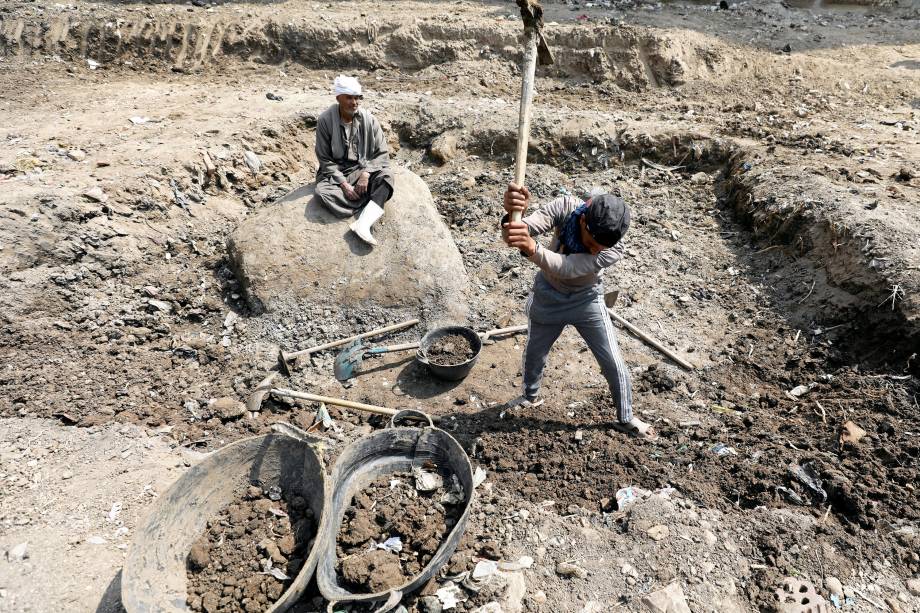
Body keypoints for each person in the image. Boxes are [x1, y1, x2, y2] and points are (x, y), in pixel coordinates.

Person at [500, 183, 655, 439]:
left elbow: (566, 267)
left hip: (586, 301)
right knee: (535, 353)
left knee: (613, 361)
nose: (596, 250)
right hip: (547, 297)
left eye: (601, 248)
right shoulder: (565, 207)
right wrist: (513, 215)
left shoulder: (613, 248)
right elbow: (520, 233)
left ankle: (626, 417)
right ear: (583, 219)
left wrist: (531, 247)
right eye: (593, 243)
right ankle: (529, 396)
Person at [314, 75, 394, 246]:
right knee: (322, 193)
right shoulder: (325, 120)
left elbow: (382, 153)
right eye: (349, 97)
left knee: (386, 177)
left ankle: (363, 223)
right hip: (337, 172)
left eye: (357, 97)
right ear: (338, 98)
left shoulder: (369, 119)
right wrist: (343, 184)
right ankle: (370, 201)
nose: (354, 102)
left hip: (362, 167)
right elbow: (324, 159)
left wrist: (366, 174)